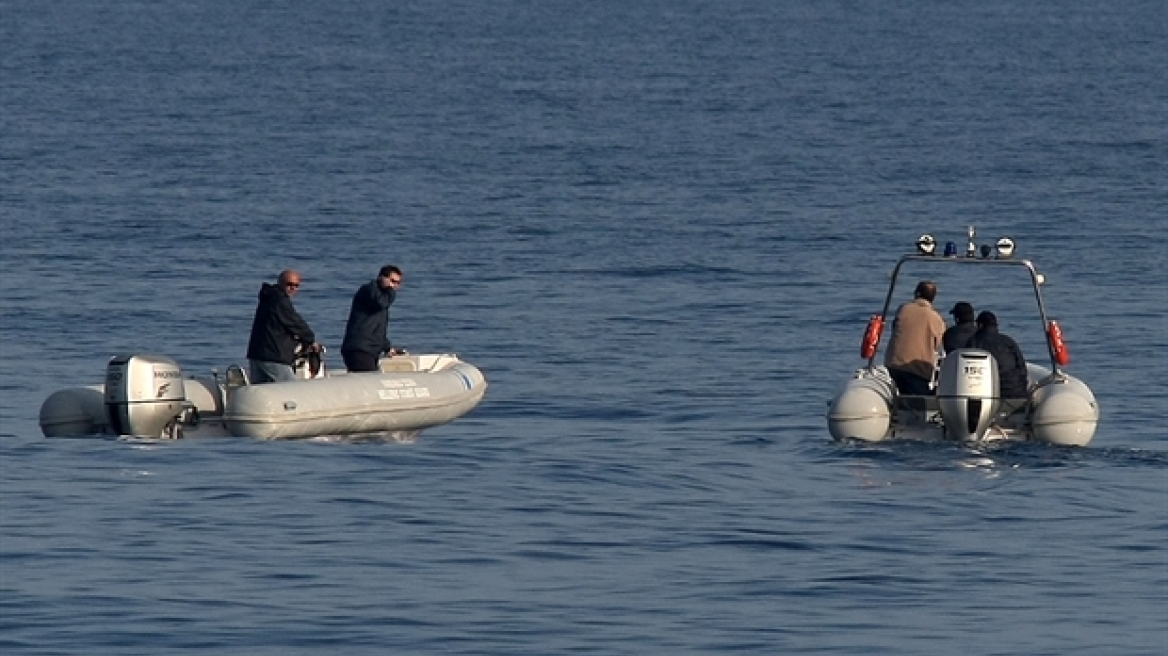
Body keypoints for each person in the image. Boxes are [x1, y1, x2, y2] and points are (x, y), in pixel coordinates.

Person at [246, 269, 320, 383]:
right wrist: (310, 339)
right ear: (280, 283)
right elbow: (295, 323)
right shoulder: (280, 301)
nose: (293, 288)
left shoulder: (268, 297)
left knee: (262, 388)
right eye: (289, 284)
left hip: (257, 354)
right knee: (290, 388)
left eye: (296, 285)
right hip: (273, 356)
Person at [884, 280, 946, 395]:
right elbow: (938, 345)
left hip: (893, 365)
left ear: (917, 293)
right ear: (933, 298)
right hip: (918, 372)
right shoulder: (937, 319)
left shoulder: (903, 309)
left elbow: (895, 328)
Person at [341, 265, 403, 372]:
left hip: (370, 350)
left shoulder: (382, 298)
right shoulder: (369, 290)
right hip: (359, 348)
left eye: (398, 283)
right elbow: (380, 303)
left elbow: (378, 329)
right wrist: (391, 291)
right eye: (392, 281)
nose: (394, 286)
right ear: (381, 277)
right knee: (368, 376)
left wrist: (387, 348)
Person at [965, 311, 1029, 398]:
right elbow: (1022, 367)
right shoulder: (1008, 341)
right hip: (1016, 392)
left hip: (988, 394)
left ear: (980, 325)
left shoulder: (973, 342)